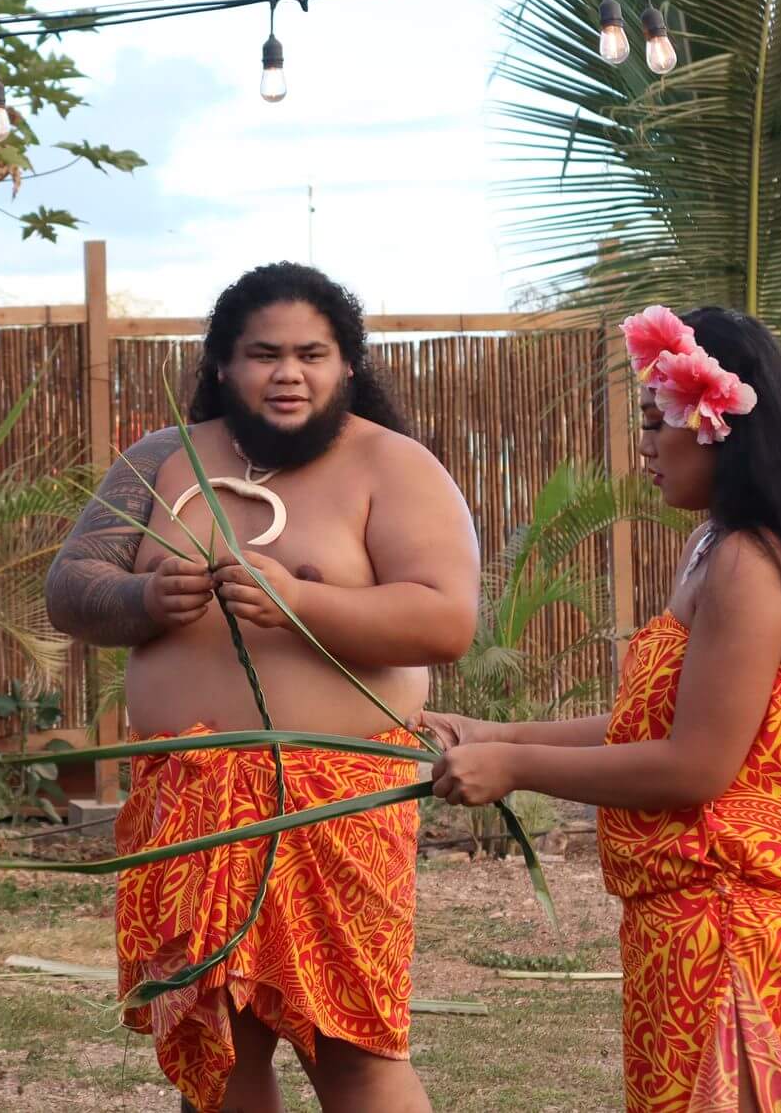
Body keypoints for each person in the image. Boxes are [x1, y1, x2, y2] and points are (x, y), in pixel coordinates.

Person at [426, 306, 781, 1113]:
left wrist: (516, 768)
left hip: (735, 936)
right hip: (686, 932)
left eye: (658, 422)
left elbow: (695, 765)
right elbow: (652, 725)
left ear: (717, 424)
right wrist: (495, 732)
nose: (646, 447)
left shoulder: (749, 566)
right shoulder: (712, 550)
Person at [46, 263, 479, 1113]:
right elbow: (70, 585)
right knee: (215, 1048)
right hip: (188, 798)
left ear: (347, 365)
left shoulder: (393, 465)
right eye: (264, 354)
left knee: (351, 1043)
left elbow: (445, 620)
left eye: (312, 353)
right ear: (221, 365)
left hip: (334, 799)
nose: (289, 373)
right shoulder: (161, 459)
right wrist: (142, 597)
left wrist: (301, 599)